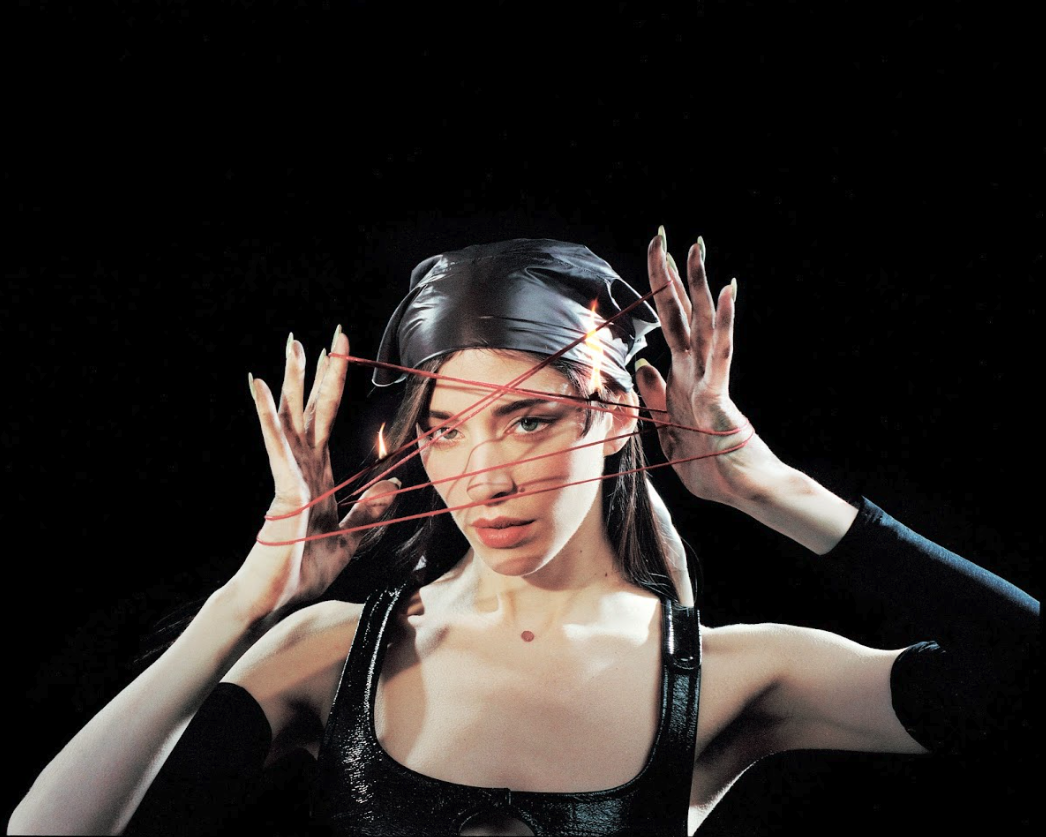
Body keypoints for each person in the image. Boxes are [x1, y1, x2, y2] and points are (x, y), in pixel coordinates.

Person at [9, 234, 1038, 837]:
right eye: (445, 430)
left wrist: (771, 489)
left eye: (530, 419)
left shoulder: (730, 675)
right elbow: (51, 828)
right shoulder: (331, 653)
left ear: (617, 414)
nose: (484, 474)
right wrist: (247, 599)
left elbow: (1020, 674)